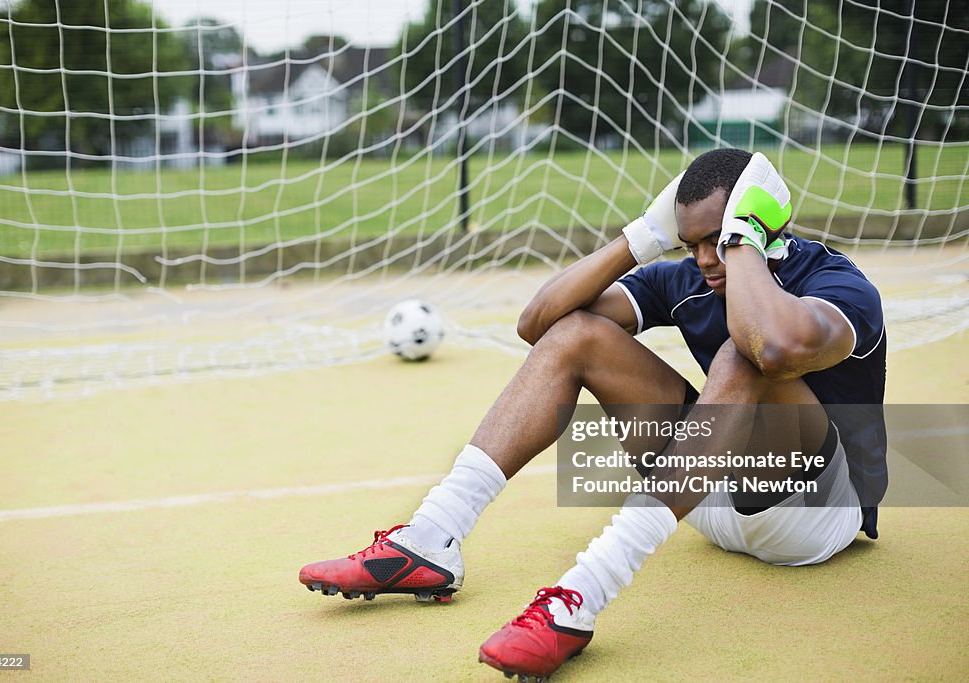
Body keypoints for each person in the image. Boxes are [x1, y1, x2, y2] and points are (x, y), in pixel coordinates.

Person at [298, 148, 887, 680]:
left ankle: (580, 596)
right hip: (707, 499)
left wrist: (744, 246)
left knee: (746, 353)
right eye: (692, 242)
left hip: (814, 517)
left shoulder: (838, 283)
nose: (706, 258)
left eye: (721, 240)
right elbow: (539, 325)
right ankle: (430, 538)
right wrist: (642, 238)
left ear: (760, 227)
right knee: (578, 334)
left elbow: (778, 347)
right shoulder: (686, 277)